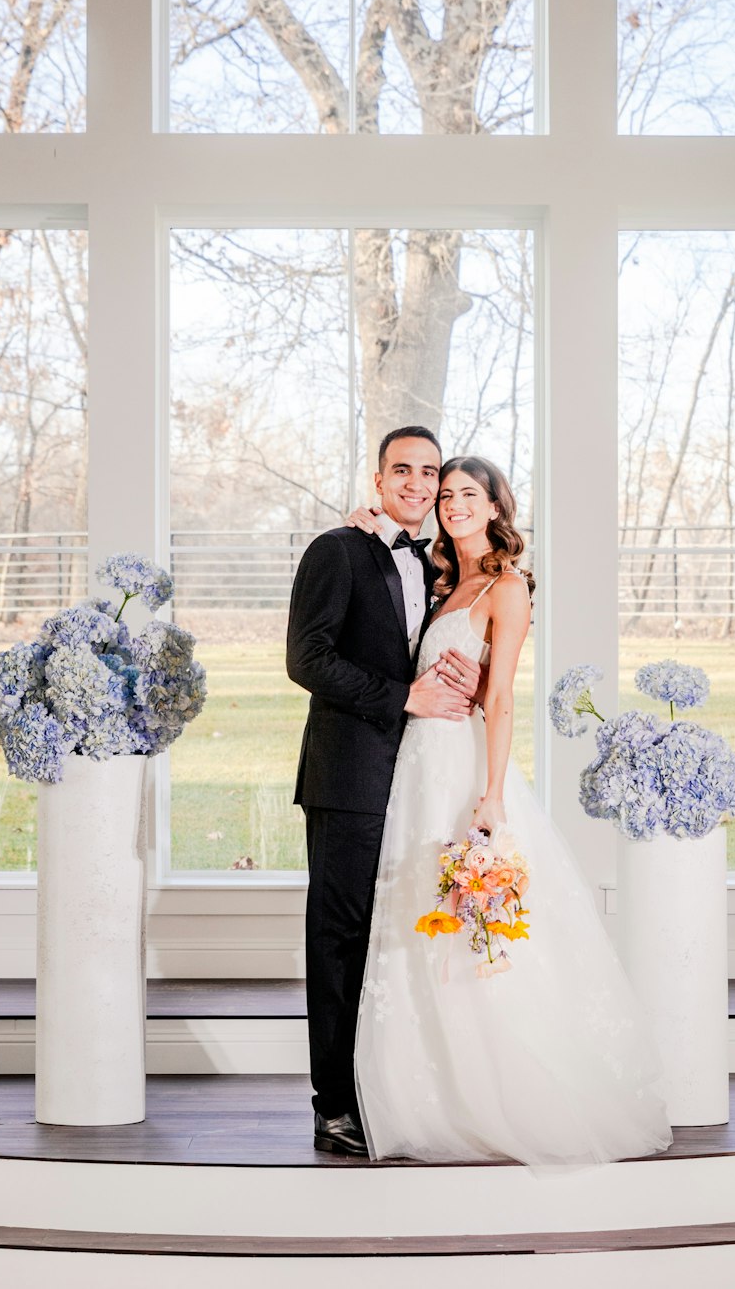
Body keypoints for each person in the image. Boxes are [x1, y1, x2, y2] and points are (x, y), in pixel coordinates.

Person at [351, 455, 673, 1166]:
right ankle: (427, 1090)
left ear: (497, 507)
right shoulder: (442, 582)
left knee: (472, 927)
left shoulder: (507, 586)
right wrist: (368, 525)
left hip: (462, 768)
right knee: (417, 917)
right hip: (417, 764)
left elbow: (500, 699)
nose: (455, 504)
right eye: (447, 495)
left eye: (471, 494)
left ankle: (497, 1092)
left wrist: (491, 792)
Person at [286, 426, 484, 1156]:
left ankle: (385, 1087)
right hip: (347, 777)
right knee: (338, 939)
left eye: (429, 472)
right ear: (377, 479)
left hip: (416, 781)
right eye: (401, 469)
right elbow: (305, 659)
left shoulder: (435, 565)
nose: (416, 483)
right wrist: (404, 697)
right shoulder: (336, 550)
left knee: (392, 940)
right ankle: (333, 1105)